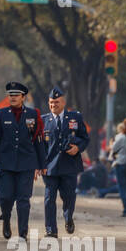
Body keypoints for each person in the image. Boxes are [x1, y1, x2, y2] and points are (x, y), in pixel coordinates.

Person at [0, 81, 47, 240]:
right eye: (10, 95)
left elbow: (38, 140)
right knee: (6, 197)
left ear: (23, 97)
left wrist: (42, 164)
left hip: (26, 163)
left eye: (16, 95)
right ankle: (6, 220)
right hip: (5, 163)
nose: (13, 98)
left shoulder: (33, 115)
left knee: (23, 199)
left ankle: (23, 232)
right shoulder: (1, 114)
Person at [40, 87, 88, 237]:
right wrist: (40, 165)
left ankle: (68, 217)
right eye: (51, 102)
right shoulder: (43, 121)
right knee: (49, 199)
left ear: (63, 102)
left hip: (69, 165)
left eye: (56, 102)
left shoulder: (75, 118)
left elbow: (85, 138)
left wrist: (78, 148)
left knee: (69, 196)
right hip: (50, 167)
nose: (54, 105)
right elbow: (39, 146)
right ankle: (51, 230)